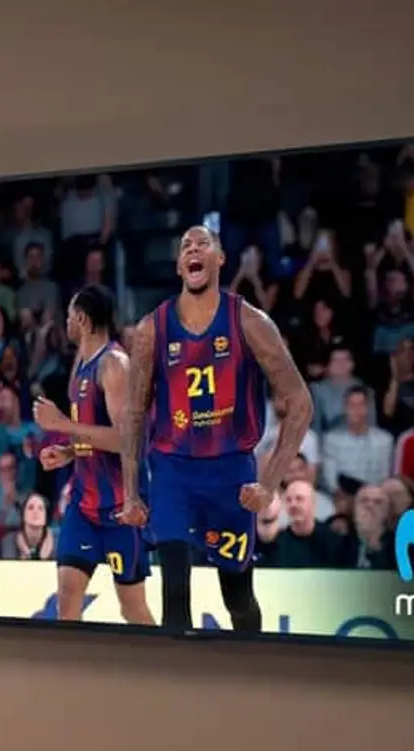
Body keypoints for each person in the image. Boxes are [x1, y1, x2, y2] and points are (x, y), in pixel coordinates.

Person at [118, 226, 313, 634]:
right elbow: (133, 415)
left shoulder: (250, 321)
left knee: (238, 600)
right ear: (178, 266)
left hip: (231, 476)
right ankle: (181, 693)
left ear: (220, 259)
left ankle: (254, 673)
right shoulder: (152, 329)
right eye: (185, 246)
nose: (193, 249)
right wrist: (133, 492)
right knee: (175, 596)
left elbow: (300, 404)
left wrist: (269, 483)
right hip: (173, 472)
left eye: (202, 243)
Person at [33, 285, 153, 626]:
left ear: (82, 320)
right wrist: (70, 451)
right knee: (68, 596)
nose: (66, 323)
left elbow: (128, 441)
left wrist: (62, 425)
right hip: (83, 504)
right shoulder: (81, 364)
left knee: (132, 608)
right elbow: (92, 430)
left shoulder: (114, 365)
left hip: (119, 506)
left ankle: (160, 666)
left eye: (70, 316)